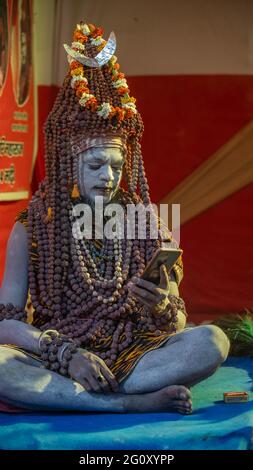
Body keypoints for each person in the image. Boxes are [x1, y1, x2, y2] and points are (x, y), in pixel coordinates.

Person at [0, 22, 230, 414]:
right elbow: (6, 323)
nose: (108, 177)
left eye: (116, 166)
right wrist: (64, 351)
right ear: (69, 163)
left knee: (212, 342)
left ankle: (84, 398)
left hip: (134, 353)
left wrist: (161, 305)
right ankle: (123, 404)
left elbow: (175, 325)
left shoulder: (146, 223)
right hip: (62, 358)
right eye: (95, 165)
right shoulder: (33, 226)